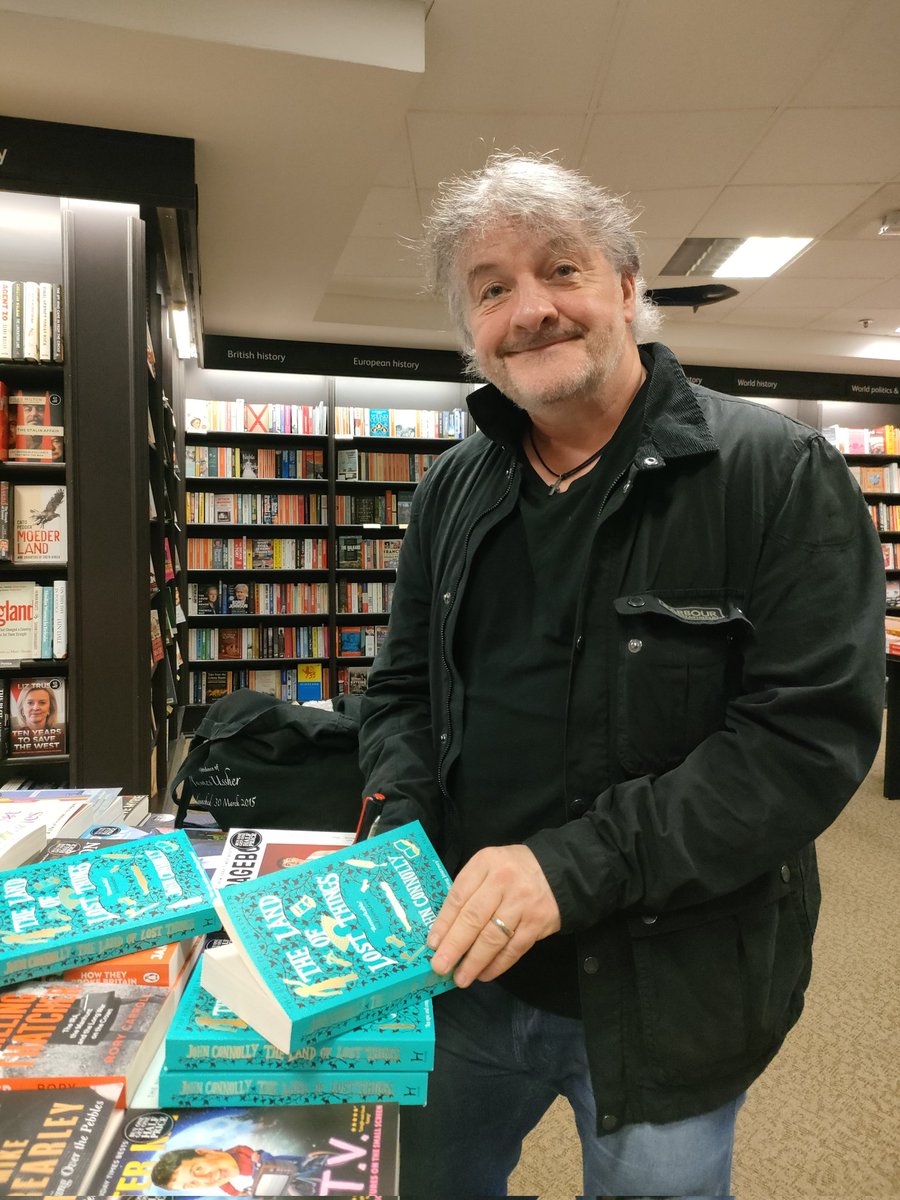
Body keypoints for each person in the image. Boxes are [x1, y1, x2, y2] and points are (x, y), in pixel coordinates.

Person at [356, 152, 886, 1198]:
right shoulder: (452, 489)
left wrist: (567, 868)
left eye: (563, 270)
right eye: (493, 288)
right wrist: (397, 821)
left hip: (671, 994)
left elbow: (802, 745)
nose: (532, 309)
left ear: (630, 289)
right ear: (471, 331)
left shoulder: (778, 476)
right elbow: (404, 690)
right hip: (459, 971)